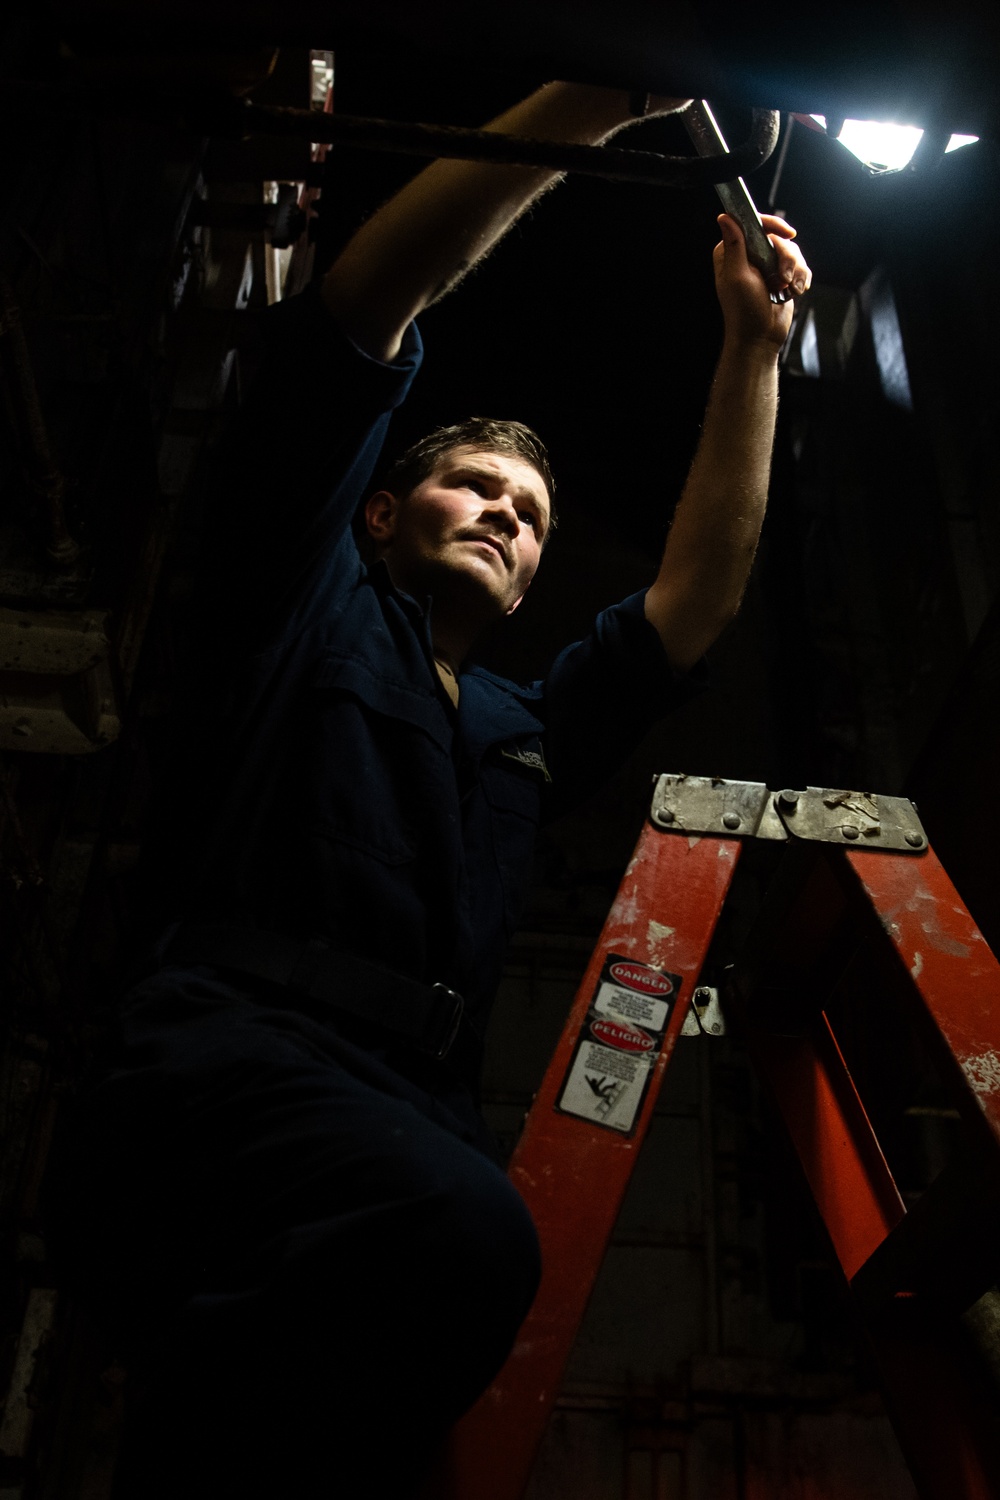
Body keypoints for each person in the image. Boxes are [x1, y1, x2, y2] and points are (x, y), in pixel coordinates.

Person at [57, 82, 810, 1499]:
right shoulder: (295, 605)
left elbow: (696, 603)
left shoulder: (522, 725)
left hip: (395, 1116)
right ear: (385, 515)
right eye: (476, 490)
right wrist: (590, 103)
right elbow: (357, 314)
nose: (510, 518)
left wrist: (755, 349)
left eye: (528, 518)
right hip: (213, 1077)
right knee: (470, 1238)